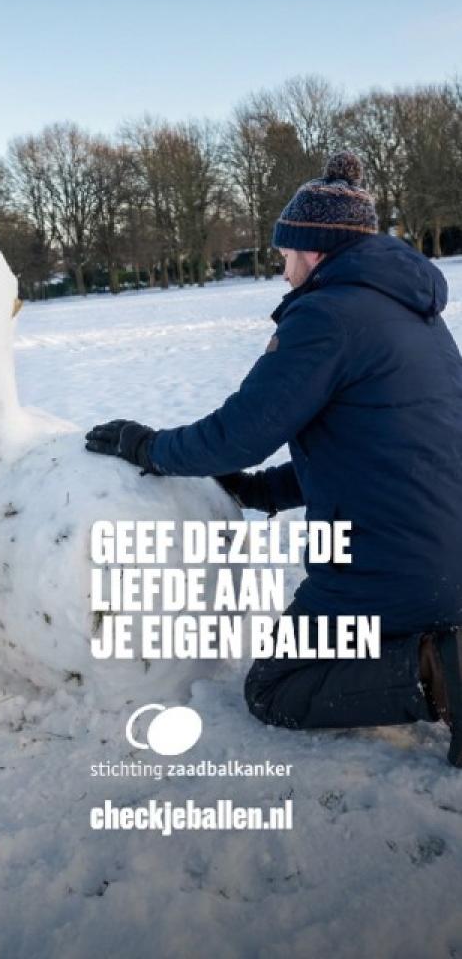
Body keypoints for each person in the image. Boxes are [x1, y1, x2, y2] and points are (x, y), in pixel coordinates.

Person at [85, 151, 462, 767]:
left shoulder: (328, 315)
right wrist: (264, 492)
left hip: (393, 568)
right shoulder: (412, 313)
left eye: (284, 253)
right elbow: (379, 455)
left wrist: (145, 446)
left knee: (275, 688)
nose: (280, 269)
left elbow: (238, 433)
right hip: (444, 557)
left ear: (314, 250)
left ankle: (442, 673)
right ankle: (437, 644)